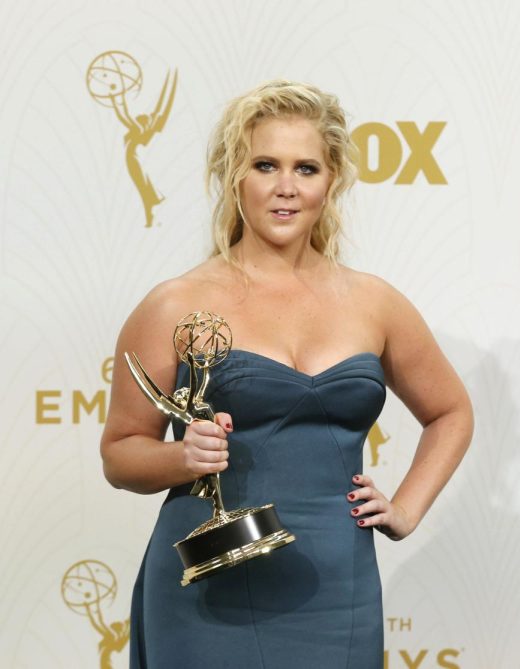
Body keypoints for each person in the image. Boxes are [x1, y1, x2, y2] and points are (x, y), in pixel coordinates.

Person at [100, 79, 473, 668]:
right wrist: (182, 457)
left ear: (332, 182)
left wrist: (405, 508)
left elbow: (451, 412)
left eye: (306, 169)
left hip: (337, 586)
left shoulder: (375, 303)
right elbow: (120, 453)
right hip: (211, 583)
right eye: (265, 165)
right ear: (233, 177)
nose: (285, 188)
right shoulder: (174, 305)